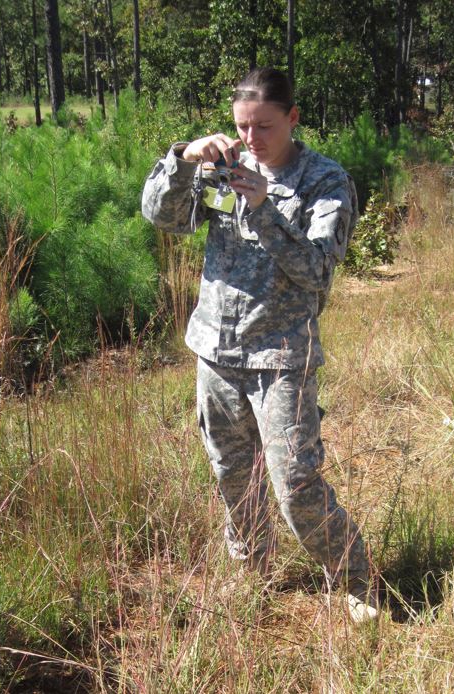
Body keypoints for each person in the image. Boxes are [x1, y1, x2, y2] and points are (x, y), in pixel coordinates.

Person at [141, 67, 377, 623]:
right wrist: (183, 159)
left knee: (295, 485)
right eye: (242, 126)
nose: (251, 140)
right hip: (217, 352)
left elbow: (319, 270)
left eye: (264, 127)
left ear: (293, 118)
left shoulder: (325, 180)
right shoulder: (223, 165)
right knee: (232, 473)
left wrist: (265, 210)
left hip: (281, 357)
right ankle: (254, 572)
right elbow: (162, 217)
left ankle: (356, 574)